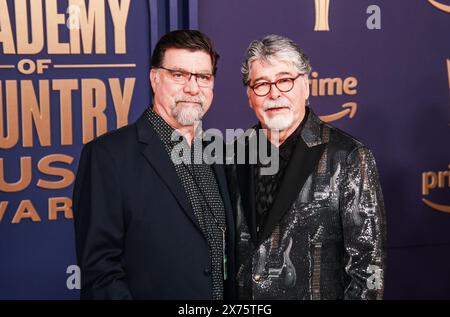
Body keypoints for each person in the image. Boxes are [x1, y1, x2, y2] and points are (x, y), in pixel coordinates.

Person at [73, 30, 235, 299]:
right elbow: (100, 272)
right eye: (178, 75)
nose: (192, 88)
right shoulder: (107, 156)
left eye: (203, 77)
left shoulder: (218, 153)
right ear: (154, 78)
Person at [227, 35, 387, 299]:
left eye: (285, 80)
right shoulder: (233, 155)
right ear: (249, 96)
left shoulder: (348, 157)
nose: (274, 93)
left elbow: (368, 270)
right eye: (262, 84)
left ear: (306, 86)